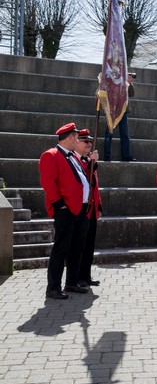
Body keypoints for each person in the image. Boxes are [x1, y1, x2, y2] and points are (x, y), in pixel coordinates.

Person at [39, 123, 91, 299]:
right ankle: (53, 287)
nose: (78, 140)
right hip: (66, 210)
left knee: (77, 248)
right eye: (76, 137)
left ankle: (71, 282)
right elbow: (48, 182)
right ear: (70, 137)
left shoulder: (71, 157)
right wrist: (59, 203)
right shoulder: (51, 155)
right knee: (61, 248)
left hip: (79, 209)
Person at [74, 129, 102, 288]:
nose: (89, 144)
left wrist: (99, 206)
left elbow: (95, 187)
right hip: (81, 209)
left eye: (90, 142)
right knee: (79, 245)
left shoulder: (87, 161)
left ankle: (86, 275)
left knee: (89, 244)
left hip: (91, 208)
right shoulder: (75, 160)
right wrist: (92, 163)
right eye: (86, 141)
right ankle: (77, 277)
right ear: (77, 142)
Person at [103, 72, 135, 162]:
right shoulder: (112, 78)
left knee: (125, 134)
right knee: (109, 134)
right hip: (112, 110)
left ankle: (126, 155)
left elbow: (131, 94)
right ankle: (107, 155)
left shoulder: (125, 82)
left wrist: (129, 83)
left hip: (123, 110)